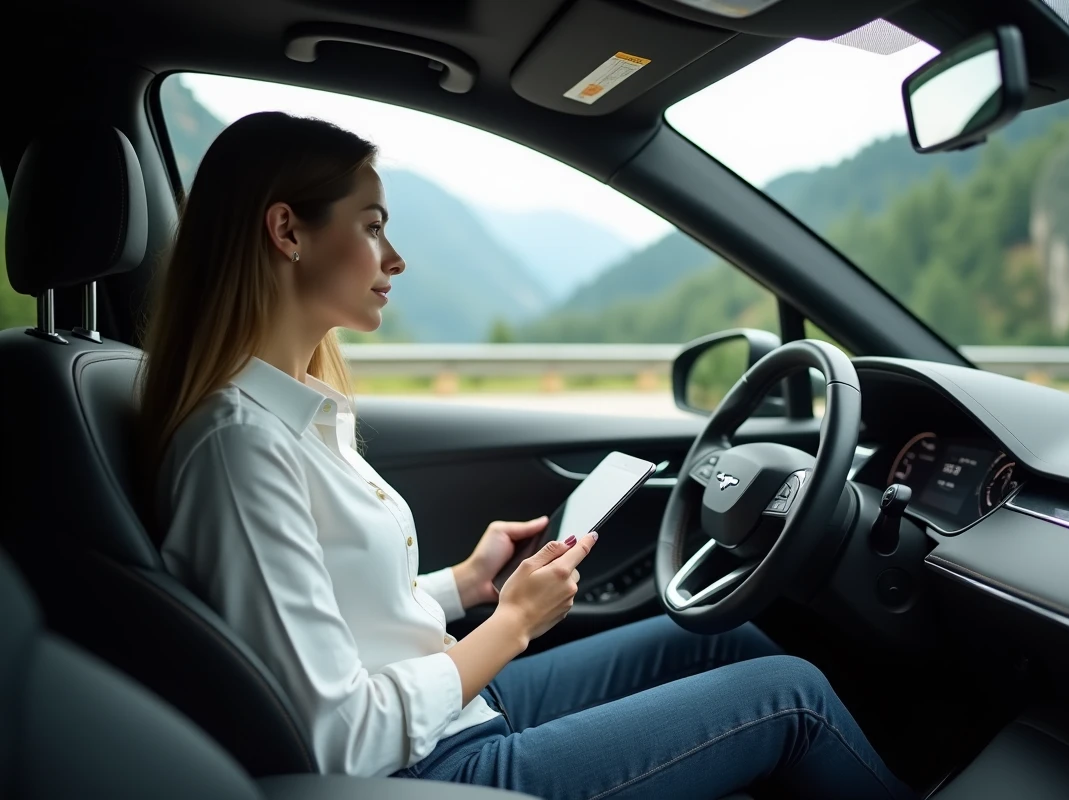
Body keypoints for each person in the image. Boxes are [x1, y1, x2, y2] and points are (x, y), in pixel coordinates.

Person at [137, 111, 915, 800]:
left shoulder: (296, 412)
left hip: (451, 713)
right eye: (372, 225)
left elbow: (330, 606)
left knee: (725, 639)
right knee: (793, 697)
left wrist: (463, 585)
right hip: (432, 770)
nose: (394, 257)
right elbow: (336, 738)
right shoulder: (241, 448)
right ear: (287, 232)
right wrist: (509, 624)